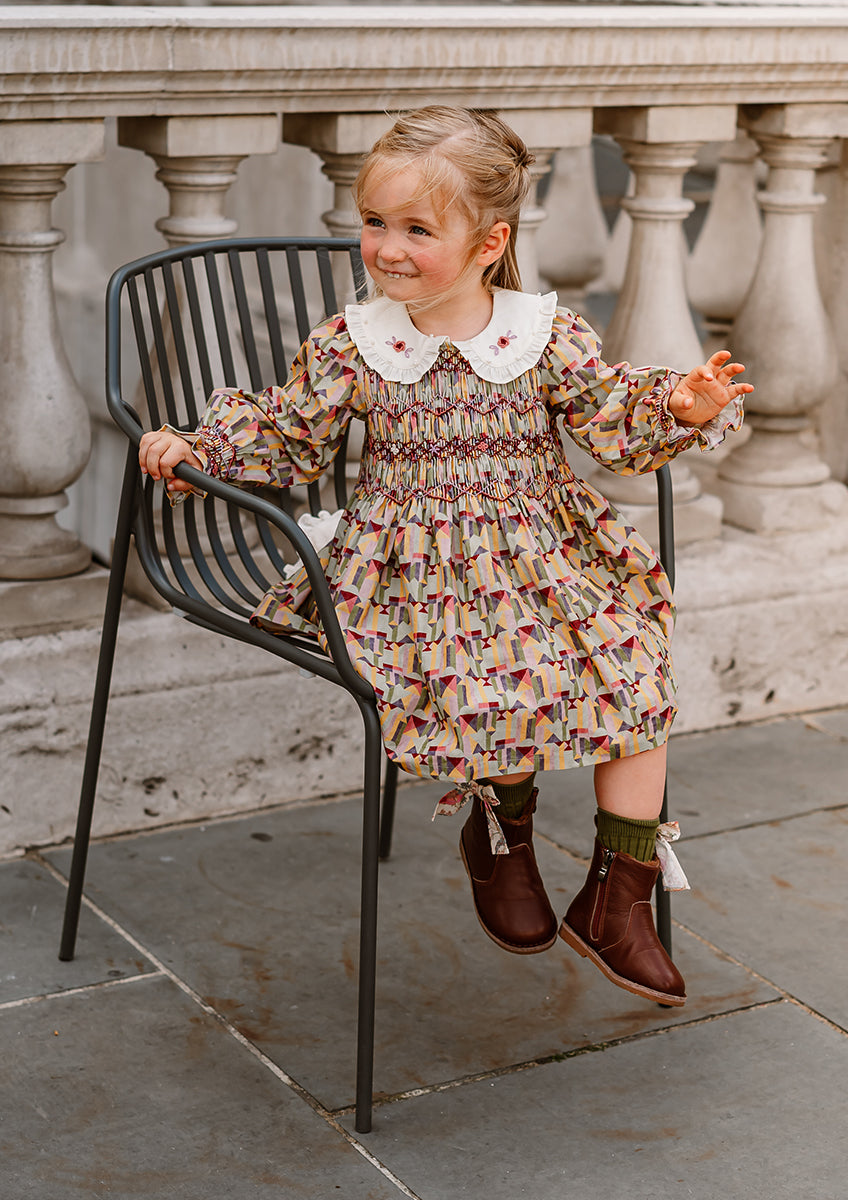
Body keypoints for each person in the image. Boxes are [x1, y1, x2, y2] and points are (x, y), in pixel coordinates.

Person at [139, 106, 751, 1009]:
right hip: (410, 566)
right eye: (374, 222)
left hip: (544, 552)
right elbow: (290, 436)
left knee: (635, 671)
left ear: (488, 243)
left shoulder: (545, 335)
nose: (387, 248)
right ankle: (503, 835)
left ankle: (619, 896)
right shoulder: (356, 344)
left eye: (417, 230)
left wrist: (678, 407)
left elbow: (609, 418)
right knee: (495, 673)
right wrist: (203, 448)